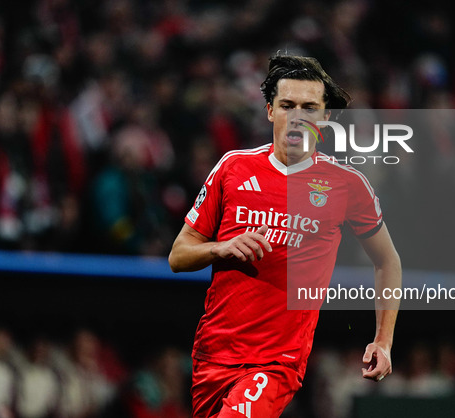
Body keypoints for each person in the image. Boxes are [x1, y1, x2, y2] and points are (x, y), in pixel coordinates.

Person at [168, 54, 401, 417]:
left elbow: (387, 261)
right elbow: (178, 256)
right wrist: (221, 247)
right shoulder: (233, 167)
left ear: (325, 118)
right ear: (269, 111)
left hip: (276, 361)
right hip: (213, 354)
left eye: (309, 107)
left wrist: (383, 341)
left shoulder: (347, 185)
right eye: (287, 105)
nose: (297, 116)